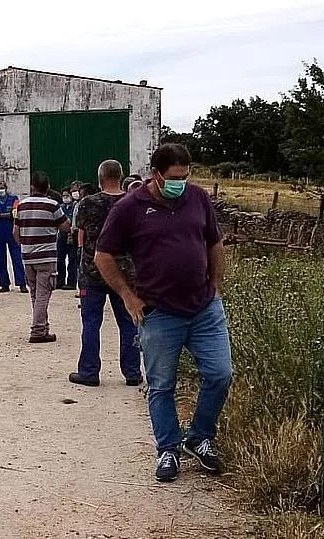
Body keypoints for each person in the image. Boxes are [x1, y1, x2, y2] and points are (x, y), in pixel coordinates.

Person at [95, 143, 231, 483]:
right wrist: (127, 295)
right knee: (161, 385)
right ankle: (168, 448)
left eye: (185, 176)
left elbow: (214, 241)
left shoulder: (198, 198)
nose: (181, 183)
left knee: (220, 375)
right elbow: (103, 255)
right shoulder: (130, 207)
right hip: (160, 313)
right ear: (156, 174)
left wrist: (215, 283)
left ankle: (199, 437)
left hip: (204, 309)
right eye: (174, 177)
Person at [69, 160, 142, 388]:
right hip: (124, 272)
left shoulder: (87, 203)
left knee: (91, 322)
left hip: (93, 270)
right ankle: (132, 372)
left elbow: (78, 233)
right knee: (129, 322)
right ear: (121, 177)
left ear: (99, 177)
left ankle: (89, 372)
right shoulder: (132, 202)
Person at [14, 171, 71, 343]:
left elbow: (15, 233)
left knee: (35, 294)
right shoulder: (52, 205)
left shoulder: (22, 206)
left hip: (28, 256)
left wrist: (25, 246)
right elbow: (65, 226)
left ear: (31, 186)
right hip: (46, 257)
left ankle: (42, 325)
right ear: (48, 187)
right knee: (43, 294)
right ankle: (38, 330)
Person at [0, 179, 28, 294]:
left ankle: (22, 283)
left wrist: (0, 215)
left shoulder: (14, 200)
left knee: (17, 258)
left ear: (6, 188)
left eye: (2, 188)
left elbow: (15, 214)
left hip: (12, 231)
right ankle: (4, 284)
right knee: (0, 259)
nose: (0, 190)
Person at [56, 189, 78, 290]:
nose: (65, 198)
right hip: (62, 235)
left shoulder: (75, 206)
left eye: (67, 195)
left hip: (72, 235)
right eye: (63, 196)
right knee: (60, 259)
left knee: (72, 259)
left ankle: (71, 282)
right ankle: (60, 281)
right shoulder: (61, 207)